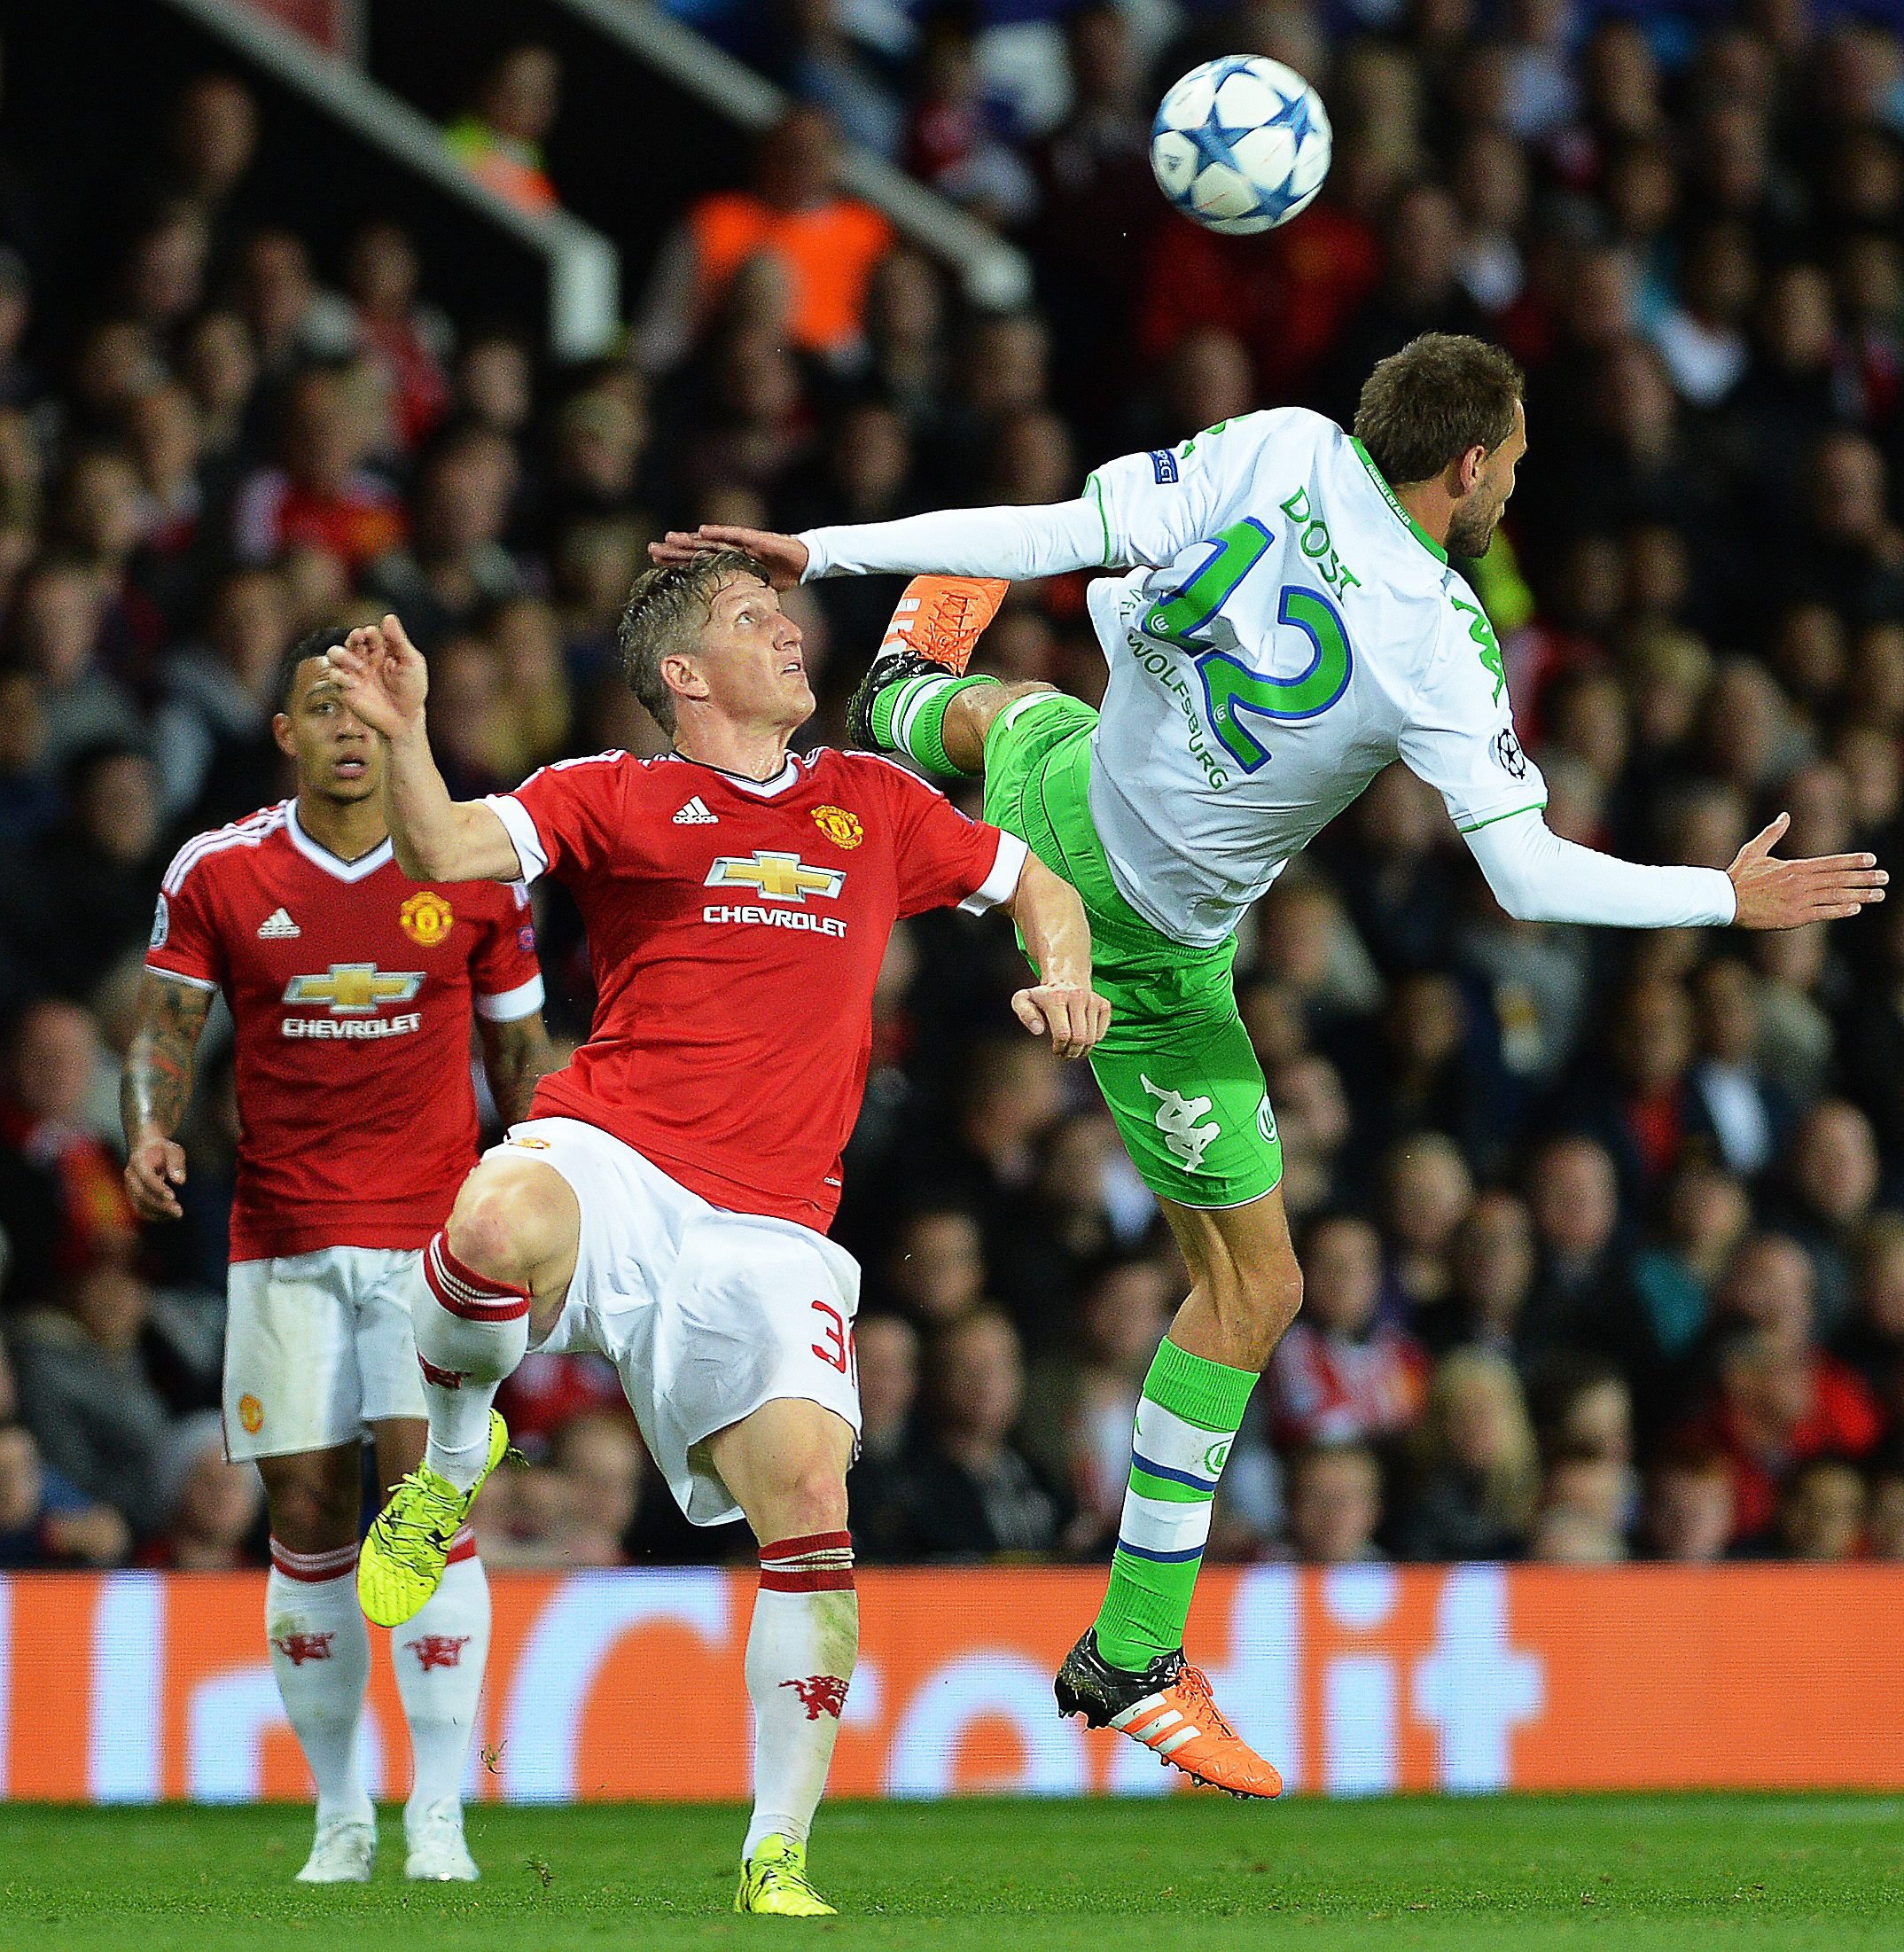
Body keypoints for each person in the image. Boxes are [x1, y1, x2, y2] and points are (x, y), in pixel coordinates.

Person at [656, 330, 1889, 1794]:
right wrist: (1722, 897)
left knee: (1016, 716)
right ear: (1472, 466)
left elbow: (1049, 529)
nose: (1512, 488)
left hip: (1082, 783)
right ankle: (1131, 1650)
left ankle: (910, 693)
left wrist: (822, 550)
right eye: (1514, 467)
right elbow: (1534, 880)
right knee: (1258, 1289)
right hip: (1143, 950)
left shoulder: (1283, 444)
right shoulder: (1441, 634)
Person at [324, 560, 1104, 1917]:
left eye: (778, 610)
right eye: (752, 619)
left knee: (810, 1507)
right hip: (618, 1155)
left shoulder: (872, 800)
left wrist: (1067, 974)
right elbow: (447, 853)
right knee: (491, 1217)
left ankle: (776, 1850)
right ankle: (451, 1465)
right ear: (683, 675)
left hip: (772, 1224)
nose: (788, 629)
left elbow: (1040, 881)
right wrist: (403, 739)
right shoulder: (615, 794)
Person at [121, 630, 553, 1885]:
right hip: (285, 1246)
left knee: (427, 1511)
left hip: (432, 1248)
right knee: (307, 1523)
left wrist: (545, 1198)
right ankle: (338, 1814)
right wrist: (149, 1131)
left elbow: (523, 1059)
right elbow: (163, 1027)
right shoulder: (221, 870)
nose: (351, 728)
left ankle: (438, 1816)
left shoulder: (470, 865)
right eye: (325, 706)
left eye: (367, 706)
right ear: (288, 734)